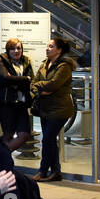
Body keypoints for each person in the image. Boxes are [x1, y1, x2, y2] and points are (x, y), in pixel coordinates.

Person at [30, 37, 76, 183]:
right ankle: (56, 171)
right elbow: (33, 82)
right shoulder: (45, 64)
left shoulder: (64, 66)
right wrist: (41, 90)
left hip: (59, 109)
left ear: (59, 50)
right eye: (47, 46)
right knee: (50, 141)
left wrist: (42, 87)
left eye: (51, 46)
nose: (47, 48)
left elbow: (54, 84)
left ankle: (43, 170)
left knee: (47, 139)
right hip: (45, 108)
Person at [0, 37, 35, 153]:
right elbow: (5, 78)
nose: (16, 51)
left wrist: (16, 80)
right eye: (12, 49)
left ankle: (1, 154)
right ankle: (3, 159)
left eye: (19, 48)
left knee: (24, 134)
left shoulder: (26, 61)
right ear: (8, 50)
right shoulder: (1, 61)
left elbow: (31, 80)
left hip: (21, 103)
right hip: (7, 103)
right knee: (8, 135)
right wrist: (24, 78)